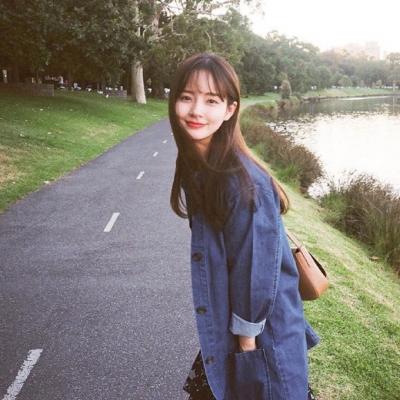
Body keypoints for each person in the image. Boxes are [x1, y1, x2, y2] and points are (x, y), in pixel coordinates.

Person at [168, 52, 320, 400]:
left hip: (259, 333)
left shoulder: (242, 183)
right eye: (187, 97)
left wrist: (247, 350)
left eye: (211, 100)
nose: (196, 110)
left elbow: (256, 273)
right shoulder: (200, 165)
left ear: (230, 109)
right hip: (234, 324)